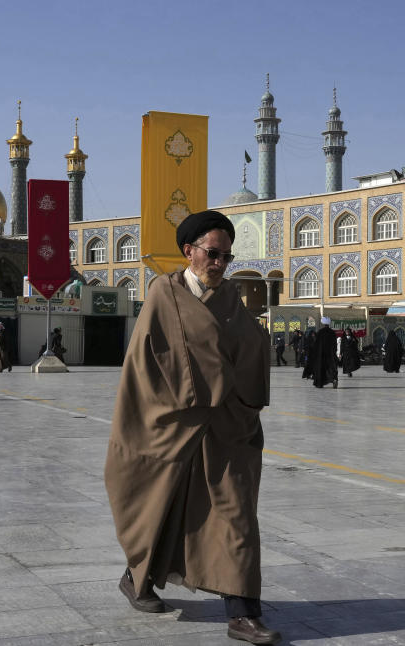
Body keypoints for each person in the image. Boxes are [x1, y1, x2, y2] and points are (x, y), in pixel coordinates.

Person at [105, 210, 280, 645]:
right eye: (213, 254)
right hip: (171, 423)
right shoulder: (163, 294)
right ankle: (137, 579)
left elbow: (252, 348)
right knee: (162, 505)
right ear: (190, 252)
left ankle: (242, 612)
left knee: (236, 514)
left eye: (226, 256)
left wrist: (233, 388)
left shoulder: (231, 300)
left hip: (225, 427)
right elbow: (148, 361)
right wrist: (194, 390)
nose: (220, 263)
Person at [310, 318, 338, 389]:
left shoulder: (320, 332)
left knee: (321, 368)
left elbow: (317, 343)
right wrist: (334, 352)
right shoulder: (332, 332)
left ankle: (320, 383)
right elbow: (335, 344)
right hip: (330, 354)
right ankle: (334, 379)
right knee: (331, 368)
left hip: (322, 354)